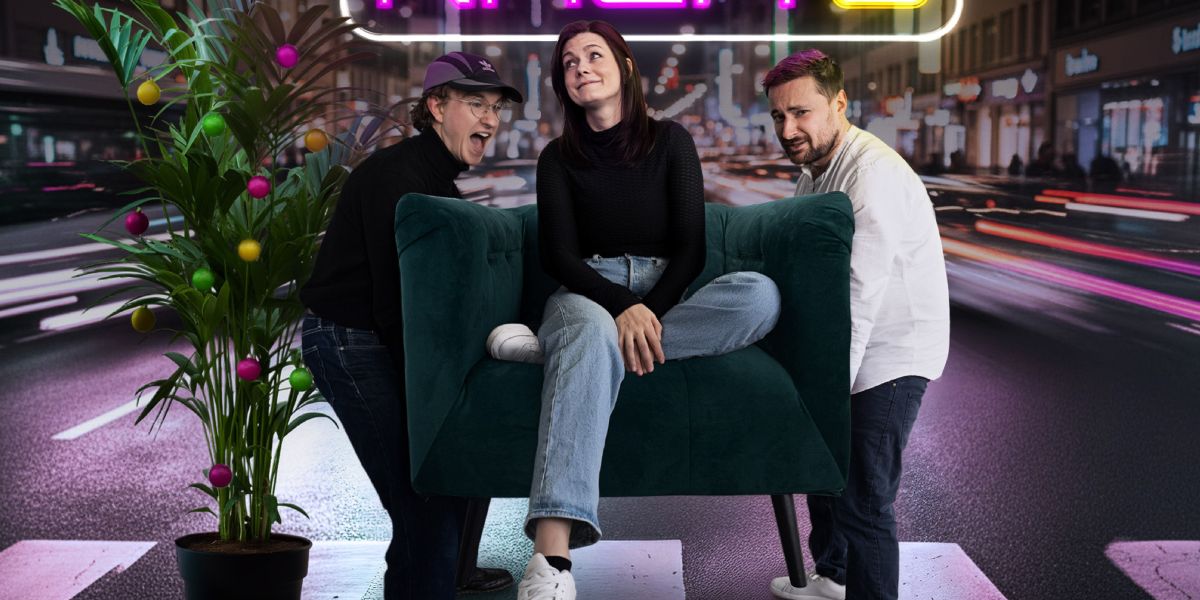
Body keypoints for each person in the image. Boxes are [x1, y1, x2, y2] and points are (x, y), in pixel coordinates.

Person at [514, 20, 782, 600]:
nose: (581, 68)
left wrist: (646, 313)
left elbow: (691, 250)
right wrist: (621, 307)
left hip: (665, 297)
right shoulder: (557, 158)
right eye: (569, 63)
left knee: (760, 294)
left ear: (625, 66)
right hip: (587, 291)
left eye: (593, 55)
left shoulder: (671, 141)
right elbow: (559, 256)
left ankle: (574, 353)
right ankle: (550, 559)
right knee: (588, 327)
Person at [299, 51, 523, 600]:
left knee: (442, 483)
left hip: (384, 338)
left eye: (495, 108)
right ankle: (434, 577)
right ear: (436, 107)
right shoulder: (398, 179)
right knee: (422, 495)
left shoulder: (438, 182)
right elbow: (394, 304)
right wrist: (434, 394)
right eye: (475, 103)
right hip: (353, 343)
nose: (490, 119)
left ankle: (442, 574)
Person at [762, 49, 950, 600]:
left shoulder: (870, 173)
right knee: (826, 475)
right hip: (847, 345)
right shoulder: (814, 174)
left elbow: (857, 293)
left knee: (865, 499)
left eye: (801, 112)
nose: (788, 129)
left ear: (839, 103)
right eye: (778, 116)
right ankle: (834, 576)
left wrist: (825, 392)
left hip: (892, 354)